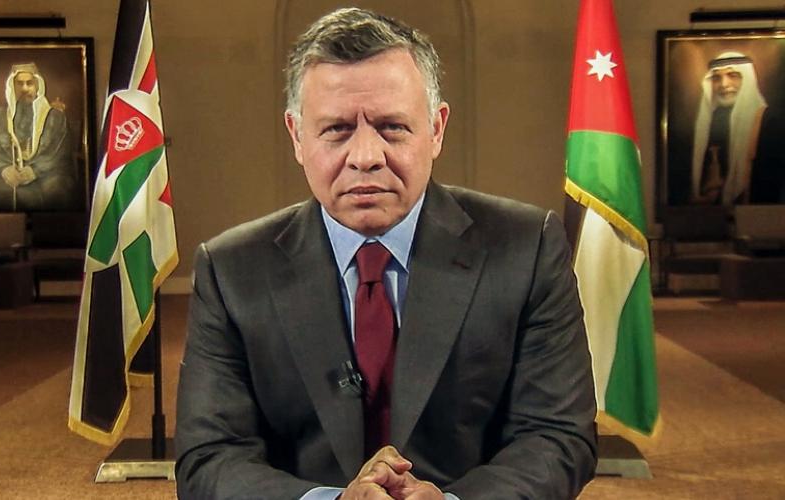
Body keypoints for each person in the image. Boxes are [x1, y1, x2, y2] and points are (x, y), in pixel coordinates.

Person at [175, 8, 597, 499]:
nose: (366, 157)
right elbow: (209, 457)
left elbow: (558, 435)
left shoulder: (526, 248)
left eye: (392, 127)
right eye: (337, 129)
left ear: (436, 129)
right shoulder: (231, 270)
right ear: (297, 136)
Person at [691, 51, 785, 206]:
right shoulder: (709, 121)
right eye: (716, 78)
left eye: (732, 75)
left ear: (747, 80)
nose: (724, 84)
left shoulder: (768, 121)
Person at [0, 62, 77, 211]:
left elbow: (59, 153)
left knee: (55, 189)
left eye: (29, 83)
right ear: (12, 86)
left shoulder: (55, 118)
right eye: (19, 84)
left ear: (37, 86)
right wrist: (4, 169)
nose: (24, 88)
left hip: (46, 174)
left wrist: (34, 170)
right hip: (6, 174)